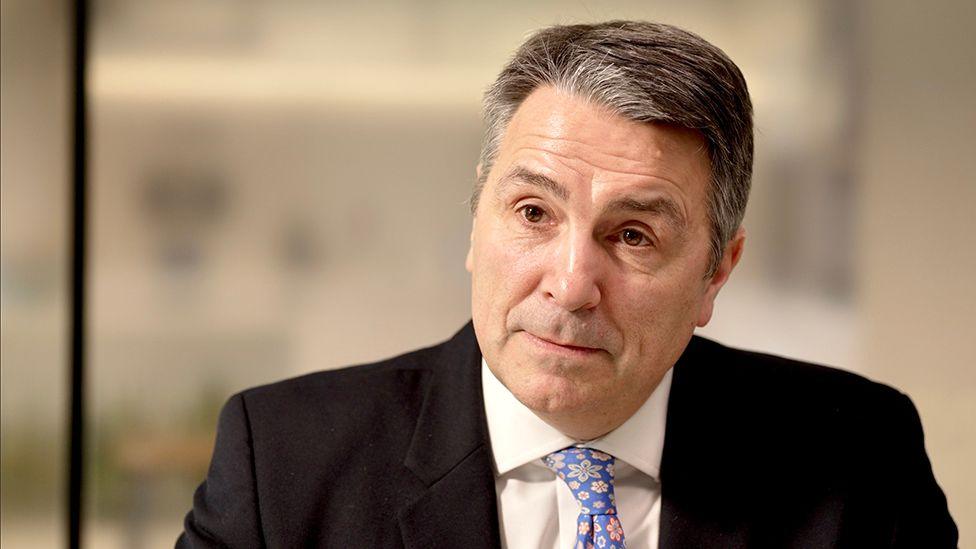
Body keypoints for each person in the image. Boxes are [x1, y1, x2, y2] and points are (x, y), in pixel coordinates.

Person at [177, 21, 957, 548]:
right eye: (533, 211)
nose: (572, 282)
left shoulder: (860, 460)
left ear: (717, 271)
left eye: (633, 235)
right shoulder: (282, 465)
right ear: (476, 219)